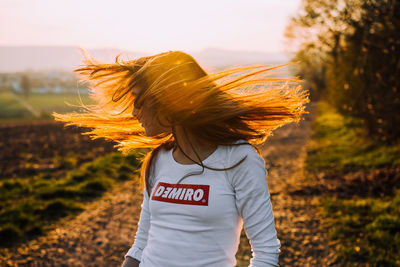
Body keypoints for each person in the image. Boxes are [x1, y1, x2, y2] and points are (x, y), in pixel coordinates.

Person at [53, 50, 309, 267]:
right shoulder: (158, 160)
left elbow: (265, 252)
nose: (133, 111)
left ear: (167, 101)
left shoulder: (239, 159)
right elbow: (142, 242)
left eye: (139, 101)